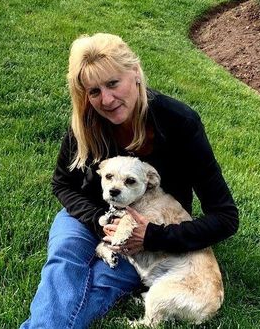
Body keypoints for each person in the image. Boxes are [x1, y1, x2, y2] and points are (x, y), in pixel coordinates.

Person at [20, 33, 239, 329]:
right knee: (64, 261)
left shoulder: (179, 122)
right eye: (94, 91)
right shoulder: (85, 122)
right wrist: (98, 219)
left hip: (150, 233)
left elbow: (225, 217)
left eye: (113, 83)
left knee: (104, 281)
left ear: (135, 72)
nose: (106, 100)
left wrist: (151, 237)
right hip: (89, 215)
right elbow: (62, 184)